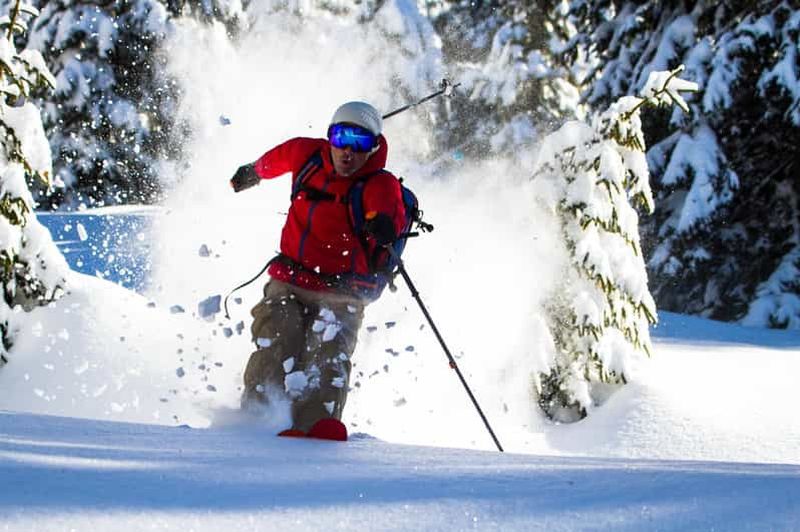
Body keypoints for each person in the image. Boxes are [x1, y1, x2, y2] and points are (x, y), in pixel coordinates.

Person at [229, 101, 406, 434]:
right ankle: (259, 414)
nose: (348, 151)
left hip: (343, 291)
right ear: (330, 137)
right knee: (278, 338)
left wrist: (383, 226)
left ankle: (317, 423)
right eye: (341, 138)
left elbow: (389, 211)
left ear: (374, 147)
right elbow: (274, 160)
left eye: (361, 142)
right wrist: (252, 172)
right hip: (291, 279)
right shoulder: (307, 154)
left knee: (328, 353)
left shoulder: (380, 183)